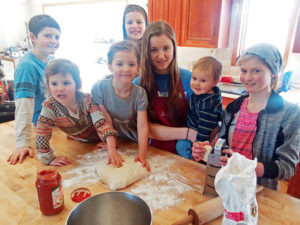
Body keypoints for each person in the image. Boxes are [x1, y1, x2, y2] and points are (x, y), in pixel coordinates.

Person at [192, 43, 300, 190]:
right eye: (244, 70)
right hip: (228, 186)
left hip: (260, 193)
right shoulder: (233, 108)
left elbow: (287, 168)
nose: (248, 77)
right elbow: (222, 146)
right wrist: (207, 152)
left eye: (256, 70)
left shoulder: (289, 114)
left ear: (273, 72)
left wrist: (248, 166)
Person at [35, 59, 118, 166]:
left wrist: (111, 146)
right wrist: (48, 158)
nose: (60, 88)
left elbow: (102, 123)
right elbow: (42, 133)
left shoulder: (87, 100)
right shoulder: (49, 106)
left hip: (101, 139)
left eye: (66, 83)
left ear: (77, 84)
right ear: (48, 86)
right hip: (79, 140)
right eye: (54, 84)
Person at [133, 20, 197, 154]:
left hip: (187, 153)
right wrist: (186, 133)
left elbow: (205, 123)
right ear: (146, 52)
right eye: (154, 50)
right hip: (152, 153)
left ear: (174, 47)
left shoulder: (191, 80)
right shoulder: (138, 85)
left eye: (166, 48)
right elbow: (146, 129)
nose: (161, 56)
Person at [7, 15, 61, 165]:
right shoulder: (27, 66)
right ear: (33, 37)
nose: (54, 41)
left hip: (57, 123)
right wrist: (22, 143)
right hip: (42, 125)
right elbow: (24, 105)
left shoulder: (51, 60)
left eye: (57, 37)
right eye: (48, 36)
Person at [92, 40, 150, 171]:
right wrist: (111, 145)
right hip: (114, 141)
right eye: (119, 64)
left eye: (131, 64)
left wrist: (141, 155)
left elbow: (142, 127)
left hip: (133, 142)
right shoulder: (99, 88)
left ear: (138, 67)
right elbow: (106, 120)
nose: (126, 69)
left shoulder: (140, 94)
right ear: (110, 66)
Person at [176, 56, 223, 159]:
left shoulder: (208, 105)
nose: (196, 83)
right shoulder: (201, 93)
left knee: (181, 146)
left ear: (214, 82)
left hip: (199, 136)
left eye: (203, 80)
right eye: (194, 78)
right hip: (193, 129)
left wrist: (198, 147)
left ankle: (191, 162)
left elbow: (205, 130)